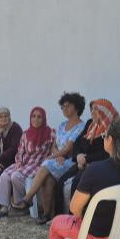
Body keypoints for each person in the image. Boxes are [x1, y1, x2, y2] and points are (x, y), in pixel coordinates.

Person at [16, 92, 86, 225]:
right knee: (48, 179)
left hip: (70, 161)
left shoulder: (81, 126)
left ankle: (28, 198)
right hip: (58, 160)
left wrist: (53, 156)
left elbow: (69, 148)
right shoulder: (62, 125)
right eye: (63, 106)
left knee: (46, 164)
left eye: (68, 106)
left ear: (76, 107)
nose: (64, 109)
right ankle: (47, 214)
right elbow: (54, 145)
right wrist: (57, 155)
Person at [55, 99, 119, 213]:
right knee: (62, 181)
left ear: (104, 111)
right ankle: (58, 216)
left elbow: (107, 152)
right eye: (91, 109)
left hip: (97, 164)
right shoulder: (91, 124)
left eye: (95, 109)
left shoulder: (112, 128)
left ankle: (74, 218)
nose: (92, 112)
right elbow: (77, 143)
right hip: (82, 161)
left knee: (77, 183)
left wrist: (86, 159)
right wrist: (79, 156)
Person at [0, 107, 55, 217]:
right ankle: (4, 207)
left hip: (38, 164)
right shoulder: (26, 134)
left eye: (39, 117)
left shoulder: (50, 133)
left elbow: (54, 150)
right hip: (24, 163)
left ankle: (20, 205)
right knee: (4, 176)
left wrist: (50, 160)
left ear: (44, 119)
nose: (35, 119)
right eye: (33, 116)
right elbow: (20, 151)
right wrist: (18, 162)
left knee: (15, 176)